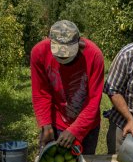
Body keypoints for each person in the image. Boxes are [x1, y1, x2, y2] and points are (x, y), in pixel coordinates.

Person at [31, 20, 104, 154]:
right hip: (57, 121)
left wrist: (75, 130)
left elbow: (93, 100)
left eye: (68, 56)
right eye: (59, 56)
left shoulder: (94, 56)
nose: (63, 61)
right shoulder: (39, 52)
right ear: (50, 42)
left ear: (78, 43)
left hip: (87, 124)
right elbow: (41, 93)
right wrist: (46, 125)